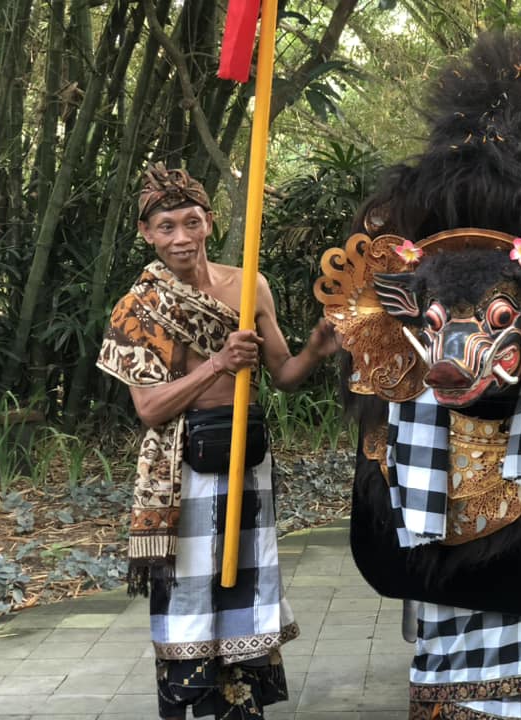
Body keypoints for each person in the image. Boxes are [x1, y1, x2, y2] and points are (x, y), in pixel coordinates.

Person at [97, 163, 340, 720]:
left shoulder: (248, 283)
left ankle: (242, 706)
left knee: (244, 592)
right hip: (182, 466)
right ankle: (192, 706)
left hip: (247, 457)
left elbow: (281, 374)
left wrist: (316, 351)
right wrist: (218, 365)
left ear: (209, 222)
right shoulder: (141, 306)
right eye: (166, 227)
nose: (181, 238)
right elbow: (149, 407)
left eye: (191, 222)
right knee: (190, 593)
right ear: (147, 234)